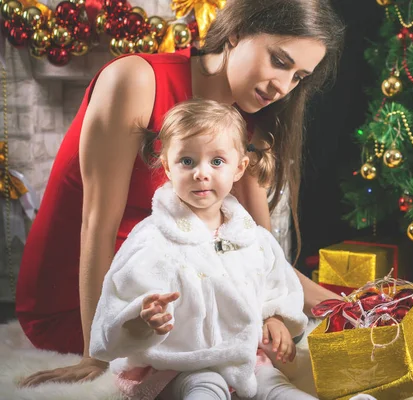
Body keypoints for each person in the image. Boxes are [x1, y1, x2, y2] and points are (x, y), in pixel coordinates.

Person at [16, 0, 345, 387]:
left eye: (298, 77)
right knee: (228, 351)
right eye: (279, 61)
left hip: (179, 286)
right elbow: (96, 225)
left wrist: (349, 308)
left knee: (260, 346)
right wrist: (95, 351)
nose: (283, 87)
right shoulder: (137, 80)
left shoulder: (247, 122)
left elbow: (258, 251)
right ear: (237, 32)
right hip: (90, 298)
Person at [90, 99, 316, 400]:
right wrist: (143, 317)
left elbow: (275, 289)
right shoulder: (152, 240)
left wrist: (274, 319)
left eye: (217, 161)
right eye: (187, 161)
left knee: (274, 385)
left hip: (242, 357)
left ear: (239, 168)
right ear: (168, 167)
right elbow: (119, 298)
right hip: (180, 363)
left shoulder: (253, 239)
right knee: (204, 384)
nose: (201, 173)